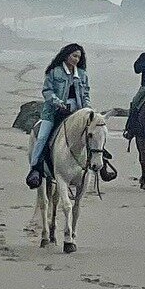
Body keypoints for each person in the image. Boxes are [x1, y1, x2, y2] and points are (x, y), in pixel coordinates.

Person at [26, 42, 90, 189]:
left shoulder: (82, 74)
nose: (76, 59)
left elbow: (85, 94)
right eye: (74, 56)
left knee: (92, 134)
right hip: (54, 111)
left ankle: (99, 164)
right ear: (66, 55)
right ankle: (35, 169)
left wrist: (87, 108)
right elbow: (47, 91)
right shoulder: (54, 72)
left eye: (78, 57)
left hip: (76, 111)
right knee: (42, 137)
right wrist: (57, 102)